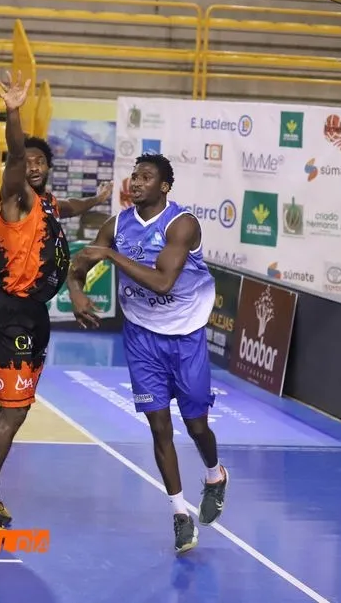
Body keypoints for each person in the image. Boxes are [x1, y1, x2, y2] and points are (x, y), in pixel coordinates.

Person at [66, 152, 228, 554]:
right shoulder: (117, 225)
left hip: (186, 335)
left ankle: (214, 474)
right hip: (141, 338)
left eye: (145, 177)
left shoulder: (182, 224)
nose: (136, 182)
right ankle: (179, 516)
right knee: (159, 427)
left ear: (164, 186)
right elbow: (80, 262)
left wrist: (111, 256)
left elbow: (163, 283)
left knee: (196, 427)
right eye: (134, 176)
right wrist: (76, 293)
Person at [0, 71, 70, 532]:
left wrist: (101, 200)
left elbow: (71, 213)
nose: (33, 165)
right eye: (27, 160)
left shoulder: (49, 205)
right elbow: (12, 153)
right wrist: (13, 111)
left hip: (32, 314)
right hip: (12, 314)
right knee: (15, 409)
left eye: (40, 160)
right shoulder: (16, 199)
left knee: (14, 407)